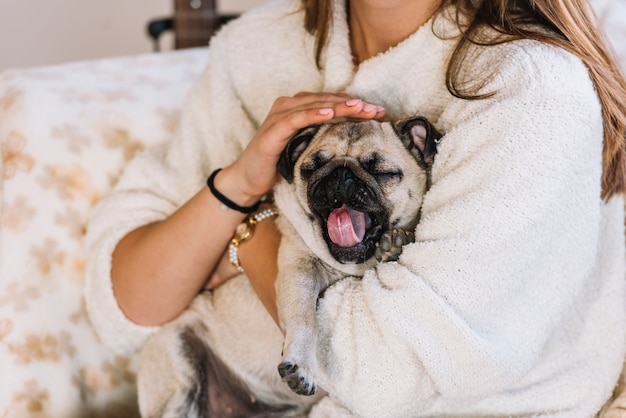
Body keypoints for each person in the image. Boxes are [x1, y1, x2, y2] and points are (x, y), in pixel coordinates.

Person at [85, 0, 626, 416]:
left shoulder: (521, 82)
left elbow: (389, 371)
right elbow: (128, 303)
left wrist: (245, 235)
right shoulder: (255, 49)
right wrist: (238, 180)